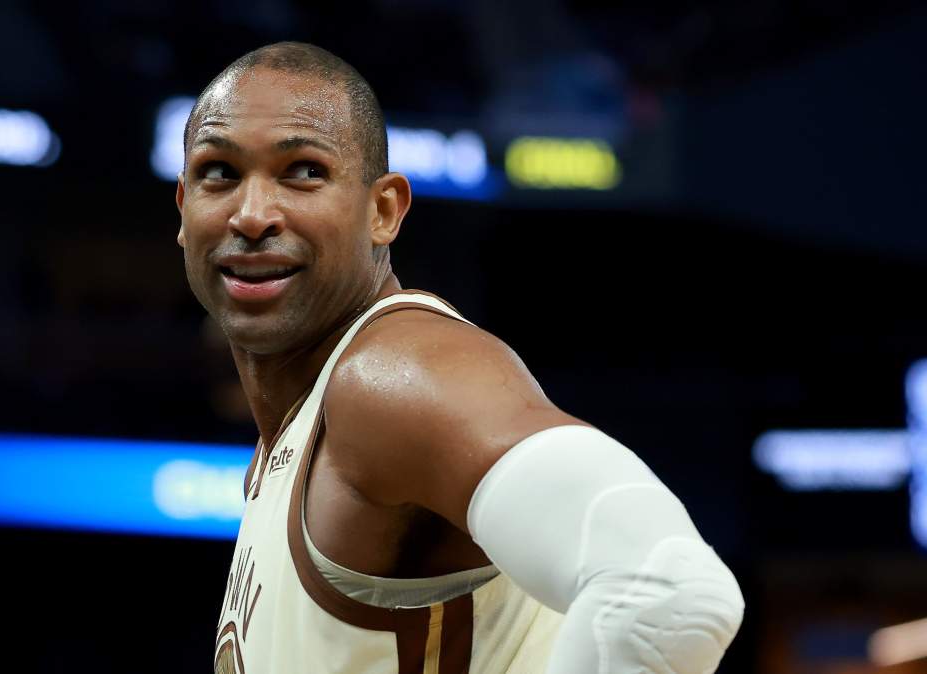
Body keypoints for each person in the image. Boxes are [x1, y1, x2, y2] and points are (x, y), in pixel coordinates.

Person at [176, 41, 744, 674]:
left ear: (383, 210)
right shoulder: (290, 438)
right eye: (219, 172)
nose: (252, 215)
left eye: (304, 171)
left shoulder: (393, 376)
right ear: (182, 209)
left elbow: (667, 596)